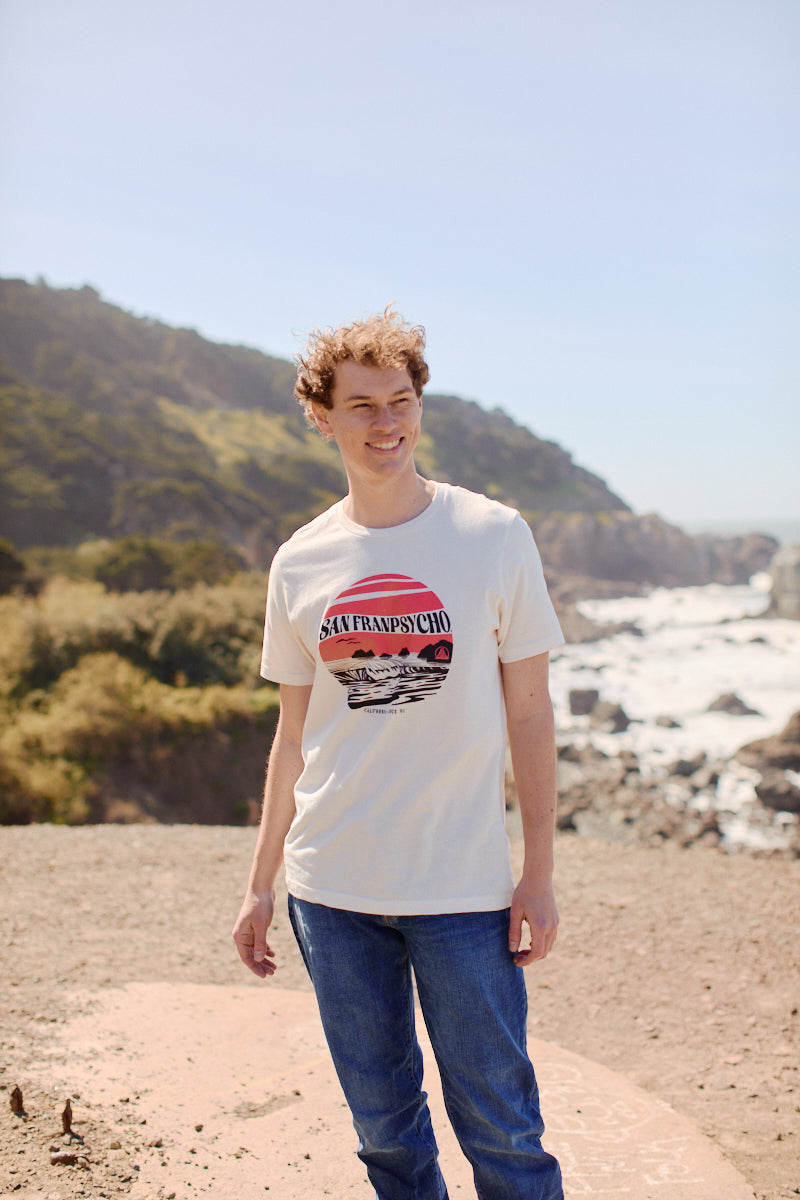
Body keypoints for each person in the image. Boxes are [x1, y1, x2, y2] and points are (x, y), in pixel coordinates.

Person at [232, 308, 565, 1200]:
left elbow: (530, 715)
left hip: (462, 892)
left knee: (505, 1133)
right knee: (386, 1138)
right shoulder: (300, 561)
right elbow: (293, 738)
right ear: (324, 417)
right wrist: (261, 885)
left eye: (402, 401)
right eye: (363, 406)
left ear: (420, 404)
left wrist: (538, 871)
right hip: (330, 895)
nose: (387, 424)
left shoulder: (493, 535)